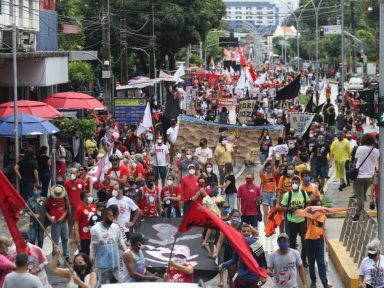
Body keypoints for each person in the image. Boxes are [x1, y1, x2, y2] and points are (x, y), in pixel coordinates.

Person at [90, 207, 128, 284]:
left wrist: (127, 251)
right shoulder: (95, 229)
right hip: (103, 265)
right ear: (104, 216)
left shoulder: (115, 227)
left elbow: (120, 241)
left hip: (115, 263)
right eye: (110, 216)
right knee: (103, 284)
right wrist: (92, 263)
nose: (112, 217)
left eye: (112, 215)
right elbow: (93, 248)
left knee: (116, 284)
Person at [281, 175, 310, 267]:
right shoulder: (287, 195)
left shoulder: (303, 193)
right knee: (292, 242)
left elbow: (308, 204)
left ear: (299, 183)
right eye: (292, 183)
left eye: (296, 183)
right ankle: (292, 260)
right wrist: (290, 208)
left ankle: (303, 259)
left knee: (305, 241)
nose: (294, 184)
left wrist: (305, 210)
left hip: (302, 221)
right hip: (291, 222)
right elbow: (282, 208)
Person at [353, 133, 380, 221]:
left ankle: (358, 214)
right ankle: (361, 208)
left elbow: (356, 158)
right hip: (370, 177)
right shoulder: (376, 151)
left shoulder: (360, 148)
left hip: (359, 177)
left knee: (359, 197)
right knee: (362, 195)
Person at [305, 199, 331, 288]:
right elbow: (308, 222)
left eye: (320, 205)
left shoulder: (323, 216)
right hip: (310, 240)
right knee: (311, 263)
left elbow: (324, 229)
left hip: (319, 240)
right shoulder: (309, 215)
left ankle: (325, 283)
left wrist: (326, 242)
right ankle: (313, 282)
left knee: (321, 263)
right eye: (317, 206)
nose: (319, 207)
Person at [45, 185, 71, 263]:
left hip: (64, 222)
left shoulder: (64, 198)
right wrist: (49, 217)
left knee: (65, 239)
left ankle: (66, 256)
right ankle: (55, 258)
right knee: (55, 241)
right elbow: (45, 210)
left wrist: (62, 217)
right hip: (55, 223)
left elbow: (67, 209)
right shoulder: (50, 199)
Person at [64, 167, 86, 241]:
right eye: (71, 173)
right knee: (71, 221)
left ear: (77, 174)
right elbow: (65, 195)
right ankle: (70, 236)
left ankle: (79, 236)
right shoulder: (67, 183)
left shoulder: (81, 183)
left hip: (80, 206)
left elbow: (84, 193)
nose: (72, 174)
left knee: (80, 221)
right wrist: (67, 206)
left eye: (74, 173)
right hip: (71, 206)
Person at [74, 190, 96, 255]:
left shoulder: (93, 206)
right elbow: (76, 223)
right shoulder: (79, 208)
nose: (89, 197)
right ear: (83, 199)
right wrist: (77, 236)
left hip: (93, 235)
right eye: (87, 196)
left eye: (90, 196)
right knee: (84, 254)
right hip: (84, 236)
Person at [260, 158, 277, 226]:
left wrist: (272, 159)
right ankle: (266, 228)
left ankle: (271, 227)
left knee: (272, 212)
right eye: (267, 168)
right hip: (265, 193)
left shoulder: (273, 175)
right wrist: (265, 162)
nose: (269, 169)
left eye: (270, 168)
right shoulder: (263, 175)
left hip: (273, 194)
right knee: (266, 213)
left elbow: (274, 169)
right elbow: (260, 171)